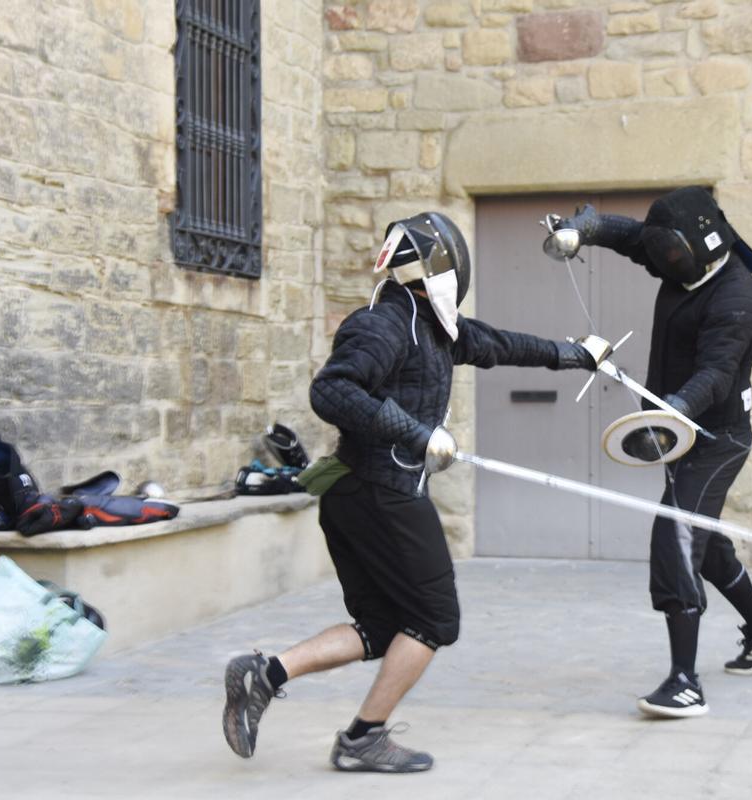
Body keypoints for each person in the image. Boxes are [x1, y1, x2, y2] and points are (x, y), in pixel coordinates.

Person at [221, 211, 595, 771]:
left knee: (380, 627)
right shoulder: (384, 324)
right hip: (379, 491)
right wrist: (417, 434)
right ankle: (362, 740)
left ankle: (264, 674)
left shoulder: (431, 324)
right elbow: (332, 391)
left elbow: (496, 344)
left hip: (361, 493)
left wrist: (575, 354)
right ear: (440, 266)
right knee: (434, 620)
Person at [554, 187, 752, 718]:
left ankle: (685, 681)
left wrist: (668, 413)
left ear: (700, 245)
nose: (661, 259)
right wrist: (585, 230)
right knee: (706, 546)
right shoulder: (679, 259)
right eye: (662, 252)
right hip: (675, 430)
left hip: (716, 438)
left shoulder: (739, 299)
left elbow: (715, 374)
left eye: (670, 252)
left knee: (677, 531)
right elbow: (633, 238)